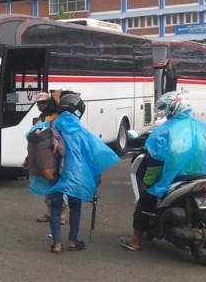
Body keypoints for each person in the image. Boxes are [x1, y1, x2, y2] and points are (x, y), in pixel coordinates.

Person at [28, 94, 120, 254]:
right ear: (78, 112)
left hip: (53, 173)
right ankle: (72, 241)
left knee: (56, 207)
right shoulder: (81, 132)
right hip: (75, 176)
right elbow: (95, 155)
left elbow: (31, 137)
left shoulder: (48, 126)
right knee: (75, 206)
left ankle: (57, 244)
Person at [119, 91, 206, 251]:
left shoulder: (166, 131)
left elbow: (156, 161)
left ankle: (136, 241)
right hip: (200, 176)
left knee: (145, 200)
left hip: (177, 178)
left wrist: (147, 183)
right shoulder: (200, 127)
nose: (165, 112)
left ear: (173, 108)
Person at [32, 91, 69, 225]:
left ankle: (63, 214)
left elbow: (65, 114)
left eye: (43, 102)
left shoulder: (56, 115)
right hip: (44, 155)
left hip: (56, 155)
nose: (40, 105)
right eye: (38, 103)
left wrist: (57, 99)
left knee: (58, 184)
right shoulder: (41, 118)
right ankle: (50, 212)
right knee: (47, 183)